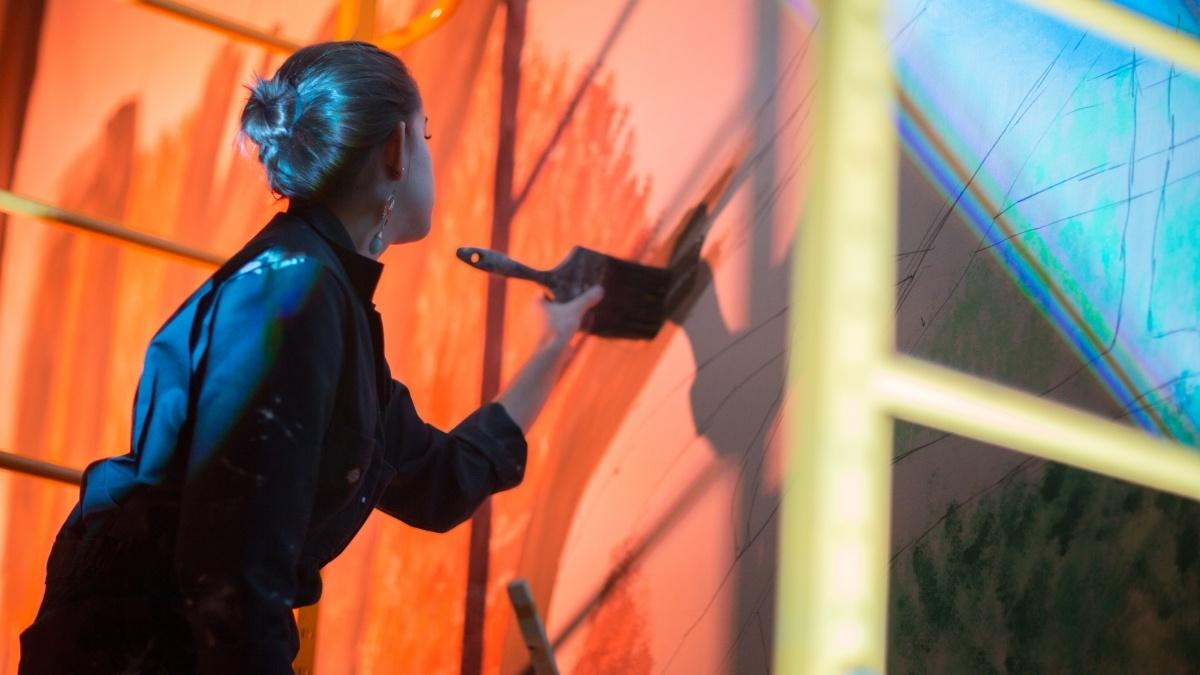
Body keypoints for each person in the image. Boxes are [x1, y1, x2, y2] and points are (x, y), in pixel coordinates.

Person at [18, 41, 603, 674]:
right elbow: (233, 579)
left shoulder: (322, 298)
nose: (430, 153)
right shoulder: (288, 292)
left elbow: (439, 483)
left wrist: (555, 344)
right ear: (397, 151)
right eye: (425, 134)